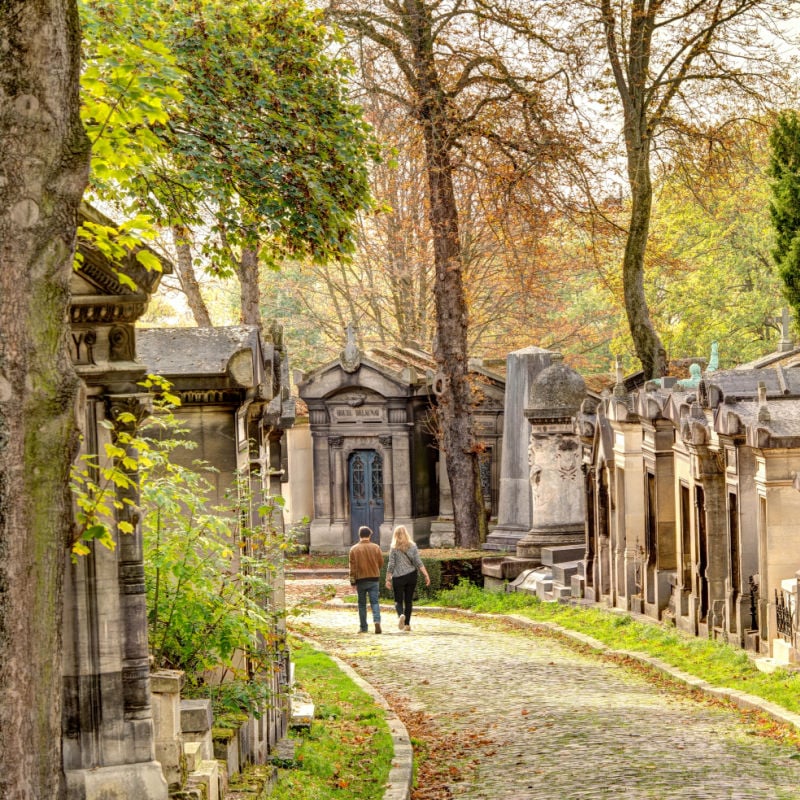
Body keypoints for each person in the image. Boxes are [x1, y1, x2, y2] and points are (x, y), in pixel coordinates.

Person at [385, 525, 430, 632]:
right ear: (406, 533)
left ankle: (401, 614)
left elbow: (391, 564)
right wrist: (426, 575)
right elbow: (418, 562)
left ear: (395, 535)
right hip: (411, 575)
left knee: (398, 601)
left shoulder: (394, 548)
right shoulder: (412, 546)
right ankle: (407, 625)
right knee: (409, 601)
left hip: (398, 577)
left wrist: (387, 579)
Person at [349, 526, 384, 634]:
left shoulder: (354, 549)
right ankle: (377, 621)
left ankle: (363, 627)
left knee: (362, 604)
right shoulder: (376, 547)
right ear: (369, 535)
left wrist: (352, 581)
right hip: (374, 578)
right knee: (375, 602)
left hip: (361, 579)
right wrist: (375, 569)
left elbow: (352, 567)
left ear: (359, 535)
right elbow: (381, 562)